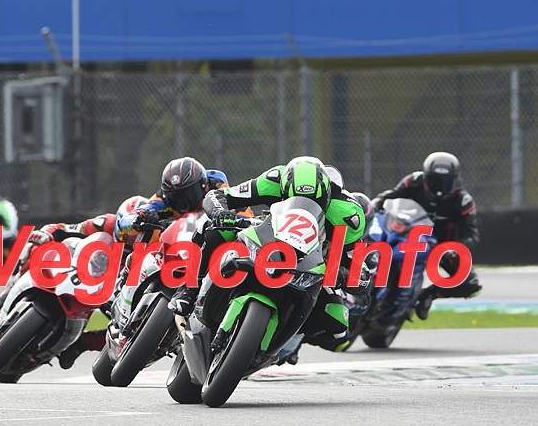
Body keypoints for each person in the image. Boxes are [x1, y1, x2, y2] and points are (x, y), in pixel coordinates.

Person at [170, 156, 371, 353]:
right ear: (284, 189)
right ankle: (188, 289)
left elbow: (360, 269)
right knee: (213, 228)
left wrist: (344, 274)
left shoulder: (348, 214)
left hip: (314, 263)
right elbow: (218, 195)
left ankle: (285, 343)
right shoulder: (274, 179)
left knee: (336, 322)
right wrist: (220, 213)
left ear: (327, 195)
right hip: (269, 238)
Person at [0, 195, 149, 370]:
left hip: (103, 293)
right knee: (35, 245)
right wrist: (46, 234)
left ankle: (81, 344)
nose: (130, 236)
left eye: (137, 233)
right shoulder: (106, 223)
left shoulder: (146, 252)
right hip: (79, 268)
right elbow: (64, 228)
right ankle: (12, 287)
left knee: (131, 332)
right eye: (127, 229)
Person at [372, 151, 482, 320]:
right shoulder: (413, 181)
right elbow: (386, 198)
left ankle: (428, 295)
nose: (439, 190)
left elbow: (471, 236)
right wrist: (373, 207)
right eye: (434, 182)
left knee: (471, 285)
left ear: (456, 180)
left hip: (440, 248)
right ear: (425, 178)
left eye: (446, 183)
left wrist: (455, 250)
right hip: (407, 236)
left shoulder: (463, 201)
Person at [114, 157, 231, 241]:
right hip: (182, 239)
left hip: (216, 232)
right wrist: (139, 219)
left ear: (203, 185)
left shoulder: (216, 184)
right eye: (176, 196)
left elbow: (236, 205)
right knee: (150, 231)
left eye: (189, 193)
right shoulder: (163, 198)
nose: (184, 201)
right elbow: (125, 221)